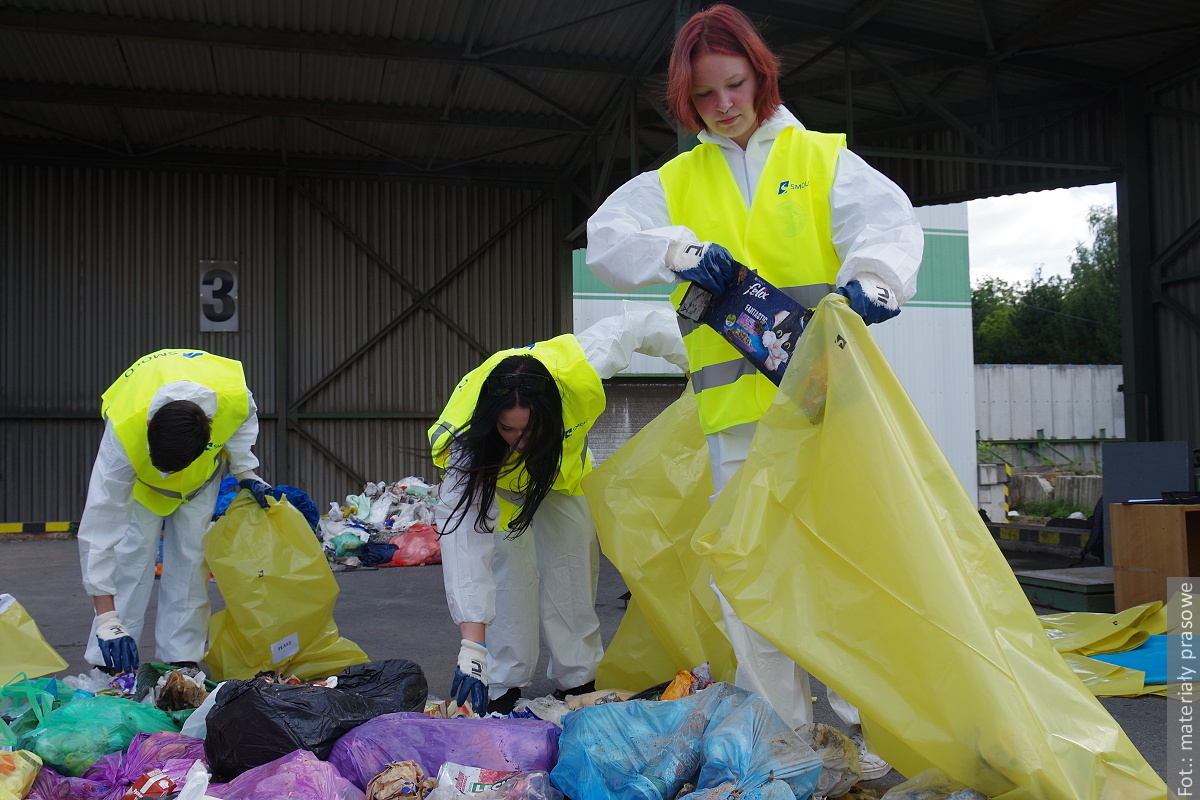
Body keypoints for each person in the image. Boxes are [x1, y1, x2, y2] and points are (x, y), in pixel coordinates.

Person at [585, 3, 923, 779]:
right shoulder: (674, 182)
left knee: (838, 577)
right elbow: (607, 239)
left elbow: (889, 226)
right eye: (706, 96)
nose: (725, 105)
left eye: (735, 84)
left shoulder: (820, 158)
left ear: (760, 76)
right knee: (753, 590)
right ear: (687, 100)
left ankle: (860, 738)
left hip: (820, 410)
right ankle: (784, 746)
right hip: (736, 424)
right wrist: (677, 249)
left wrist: (872, 287)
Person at [430, 303, 688, 715]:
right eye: (507, 429)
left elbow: (640, 325)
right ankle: (501, 678)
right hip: (502, 487)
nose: (518, 440)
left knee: (571, 569)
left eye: (529, 428)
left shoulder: (576, 367)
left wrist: (702, 361)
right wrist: (471, 647)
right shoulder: (468, 442)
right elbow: (465, 547)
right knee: (509, 570)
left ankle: (578, 675)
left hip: (562, 480)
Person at [77, 349, 272, 675]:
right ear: (149, 424)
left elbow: (241, 426)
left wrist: (245, 471)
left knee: (192, 561)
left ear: (208, 435)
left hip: (199, 483)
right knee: (130, 559)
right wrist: (106, 617)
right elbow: (100, 523)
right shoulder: (124, 426)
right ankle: (108, 656)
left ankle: (182, 658)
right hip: (143, 489)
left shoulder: (234, 396)